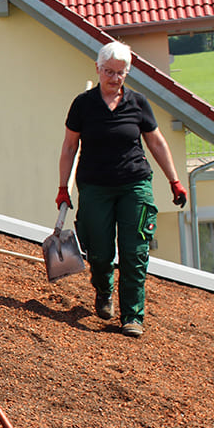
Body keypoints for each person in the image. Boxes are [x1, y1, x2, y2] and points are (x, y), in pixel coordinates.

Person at [56, 40, 188, 338]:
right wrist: (63, 187)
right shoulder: (83, 104)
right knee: (100, 252)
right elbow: (69, 146)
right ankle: (103, 289)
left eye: (120, 72)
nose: (114, 78)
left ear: (128, 71)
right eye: (108, 71)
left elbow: (156, 142)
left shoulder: (138, 103)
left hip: (134, 184)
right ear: (98, 69)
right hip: (95, 187)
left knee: (135, 251)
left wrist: (174, 180)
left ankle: (132, 316)